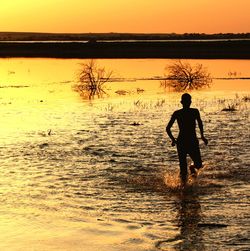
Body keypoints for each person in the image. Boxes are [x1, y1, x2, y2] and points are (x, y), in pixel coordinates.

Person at [166, 93, 208, 185]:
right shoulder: (177, 113)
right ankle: (184, 188)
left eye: (188, 101)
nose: (187, 103)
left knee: (199, 165)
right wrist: (173, 139)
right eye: (186, 101)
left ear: (190, 102)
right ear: (182, 102)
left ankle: (192, 168)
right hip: (183, 142)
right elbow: (167, 128)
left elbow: (200, 123)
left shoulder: (194, 111)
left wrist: (202, 136)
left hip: (191, 140)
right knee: (183, 169)